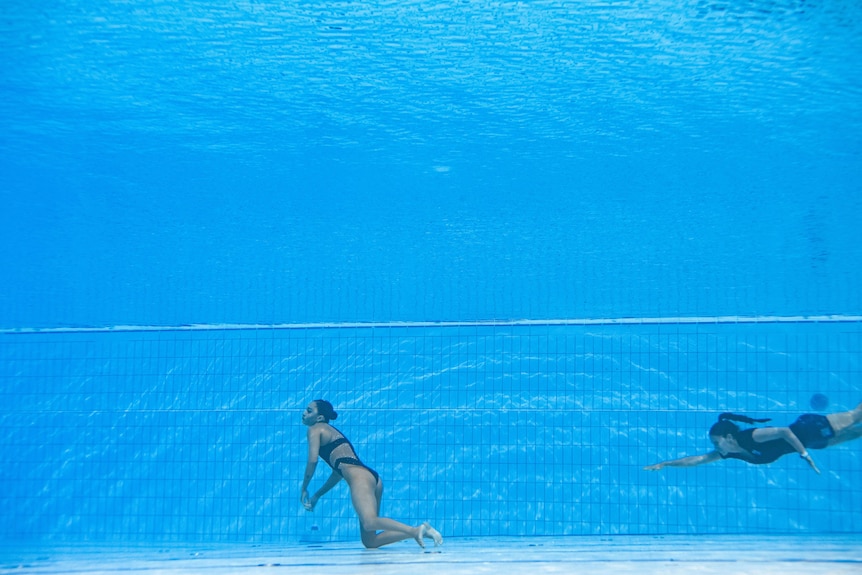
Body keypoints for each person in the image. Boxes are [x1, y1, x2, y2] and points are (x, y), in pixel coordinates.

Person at [300, 399, 443, 549]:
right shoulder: (330, 432)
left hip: (359, 478)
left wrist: (304, 488)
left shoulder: (315, 429)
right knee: (370, 541)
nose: (304, 413)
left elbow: (312, 460)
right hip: (371, 478)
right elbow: (338, 473)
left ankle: (415, 530)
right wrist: (317, 495)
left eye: (309, 411)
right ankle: (421, 531)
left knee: (370, 522)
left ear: (320, 417)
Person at [644, 402, 862, 474]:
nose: (714, 447)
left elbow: (784, 432)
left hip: (811, 428)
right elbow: (697, 460)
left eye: (715, 442)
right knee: (858, 431)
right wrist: (666, 463)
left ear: (729, 437)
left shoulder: (752, 437)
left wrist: (804, 455)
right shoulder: (731, 453)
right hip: (813, 442)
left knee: (855, 415)